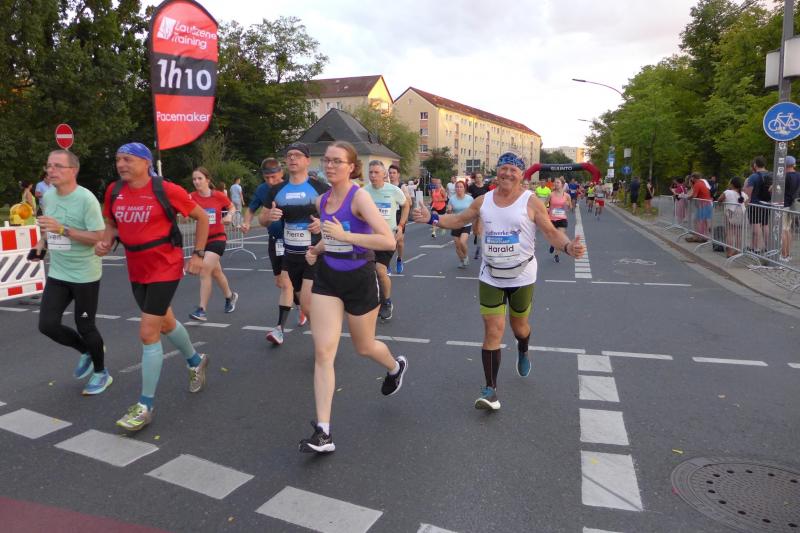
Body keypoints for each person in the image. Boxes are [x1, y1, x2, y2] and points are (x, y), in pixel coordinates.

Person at [413, 152, 585, 410]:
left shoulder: (531, 201)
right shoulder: (483, 201)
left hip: (522, 275)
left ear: (521, 175)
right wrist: (432, 218)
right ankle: (490, 390)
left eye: (513, 170)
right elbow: (459, 220)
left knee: (519, 327)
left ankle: (523, 348)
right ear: (497, 172)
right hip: (490, 276)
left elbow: (550, 232)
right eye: (503, 168)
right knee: (493, 330)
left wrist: (569, 247)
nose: (507, 173)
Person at [299, 141, 407, 453]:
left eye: (337, 161)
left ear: (351, 167)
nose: (330, 165)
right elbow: (331, 236)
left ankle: (395, 367)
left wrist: (347, 236)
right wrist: (317, 249)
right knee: (323, 352)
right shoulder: (321, 200)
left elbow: (387, 240)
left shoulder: (359, 197)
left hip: (360, 277)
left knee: (364, 346)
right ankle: (323, 432)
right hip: (328, 278)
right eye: (327, 160)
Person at [96, 143, 210, 431]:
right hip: (136, 267)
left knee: (148, 332)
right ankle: (195, 360)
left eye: (128, 159)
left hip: (165, 265)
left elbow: (202, 217)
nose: (121, 164)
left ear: (146, 163)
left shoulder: (165, 189)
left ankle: (145, 406)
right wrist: (106, 241)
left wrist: (198, 255)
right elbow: (111, 222)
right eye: (118, 159)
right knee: (166, 323)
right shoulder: (114, 191)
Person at [30, 150, 110, 395]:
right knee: (47, 325)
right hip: (59, 273)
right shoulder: (48, 197)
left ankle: (101, 373)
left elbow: (98, 237)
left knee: (85, 326)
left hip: (85, 275)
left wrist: (63, 229)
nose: (50, 170)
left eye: (57, 166)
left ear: (73, 170)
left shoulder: (86, 199)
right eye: (48, 165)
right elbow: (48, 227)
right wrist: (41, 244)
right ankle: (86, 351)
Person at [258, 142, 329, 329]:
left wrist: (321, 224)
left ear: (307, 160)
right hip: (290, 255)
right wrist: (269, 216)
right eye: (289, 155)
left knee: (307, 302)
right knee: (302, 301)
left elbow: (336, 217)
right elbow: (262, 220)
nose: (292, 158)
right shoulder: (276, 190)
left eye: (297, 155)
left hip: (314, 253)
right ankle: (326, 331)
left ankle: (325, 337)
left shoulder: (321, 188)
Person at [244, 158, 305, 345]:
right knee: (282, 282)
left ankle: (279, 329)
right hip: (275, 241)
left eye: (274, 177)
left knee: (286, 283)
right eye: (267, 178)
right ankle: (301, 306)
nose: (271, 181)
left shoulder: (291, 187)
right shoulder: (263, 190)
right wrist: (247, 222)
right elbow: (252, 210)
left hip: (293, 241)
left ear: (281, 173)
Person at [188, 167, 239, 321]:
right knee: (216, 273)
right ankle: (230, 296)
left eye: (200, 178)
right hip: (202, 241)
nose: (196, 182)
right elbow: (181, 209)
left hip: (218, 238)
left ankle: (202, 310)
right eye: (194, 179)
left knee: (204, 271)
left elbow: (232, 207)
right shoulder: (191, 197)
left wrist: (229, 216)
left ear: (208, 180)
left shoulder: (218, 195)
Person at [364, 161, 408, 321]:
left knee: (380, 270)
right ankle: (374, 300)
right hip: (369, 238)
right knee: (369, 272)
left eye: (376, 172)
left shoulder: (394, 190)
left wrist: (401, 225)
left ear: (384, 174)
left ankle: (387, 302)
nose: (373, 175)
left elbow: (406, 205)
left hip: (387, 237)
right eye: (371, 172)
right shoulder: (364, 192)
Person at [744, 156, 772, 254]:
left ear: (755, 165)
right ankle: (768, 248)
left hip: (754, 205)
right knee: (765, 225)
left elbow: (748, 194)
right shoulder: (771, 175)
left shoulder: (753, 177)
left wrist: (745, 204)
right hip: (767, 204)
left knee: (755, 226)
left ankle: (756, 248)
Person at [388, 164, 410, 273]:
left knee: (399, 242)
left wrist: (400, 198)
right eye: (390, 173)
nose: (391, 175)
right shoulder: (386, 186)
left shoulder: (402, 186)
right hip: (389, 216)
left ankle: (399, 259)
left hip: (399, 216)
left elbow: (409, 202)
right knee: (389, 241)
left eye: (394, 173)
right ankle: (386, 263)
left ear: (398, 175)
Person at [718, 176, 748, 258]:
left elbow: (719, 200)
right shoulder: (744, 194)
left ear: (732, 184)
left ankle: (729, 252)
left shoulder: (727, 192)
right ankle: (737, 251)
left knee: (730, 233)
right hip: (741, 214)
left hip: (730, 213)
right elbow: (746, 204)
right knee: (738, 234)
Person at [447, 180, 474, 268]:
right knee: (457, 246)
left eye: (461, 187)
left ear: (464, 188)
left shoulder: (469, 198)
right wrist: (449, 210)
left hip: (466, 223)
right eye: (457, 187)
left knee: (462, 242)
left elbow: (474, 210)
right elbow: (449, 213)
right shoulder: (452, 199)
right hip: (455, 223)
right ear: (455, 189)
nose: (459, 188)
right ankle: (462, 260)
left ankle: (466, 256)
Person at [546, 177, 572, 262]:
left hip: (562, 219)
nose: (556, 184)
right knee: (552, 237)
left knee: (559, 237)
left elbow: (570, 207)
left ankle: (556, 255)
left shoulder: (567, 196)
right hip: (552, 219)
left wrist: (567, 205)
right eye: (555, 182)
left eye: (558, 182)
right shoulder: (551, 194)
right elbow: (545, 205)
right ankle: (552, 244)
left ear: (562, 184)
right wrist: (547, 209)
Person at [780, 156, 800, 262]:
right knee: (788, 230)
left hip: (784, 204)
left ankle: (783, 255)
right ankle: (788, 254)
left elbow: (776, 189)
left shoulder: (784, 176)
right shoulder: (798, 175)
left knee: (782, 230)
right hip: (793, 205)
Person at [468, 172, 490, 259]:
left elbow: (489, 198)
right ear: (475, 178)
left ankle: (479, 248)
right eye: (477, 177)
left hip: (484, 210)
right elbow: (469, 198)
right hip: (474, 209)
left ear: (482, 178)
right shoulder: (471, 187)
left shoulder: (486, 187)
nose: (478, 179)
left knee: (480, 229)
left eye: (480, 177)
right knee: (475, 230)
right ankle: (476, 237)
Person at [685, 172, 712, 242]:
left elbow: (694, 195)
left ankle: (698, 237)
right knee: (704, 220)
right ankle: (704, 236)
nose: (691, 179)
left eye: (691, 178)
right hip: (707, 203)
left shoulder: (697, 184)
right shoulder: (702, 183)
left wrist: (688, 197)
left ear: (693, 178)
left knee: (697, 220)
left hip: (702, 204)